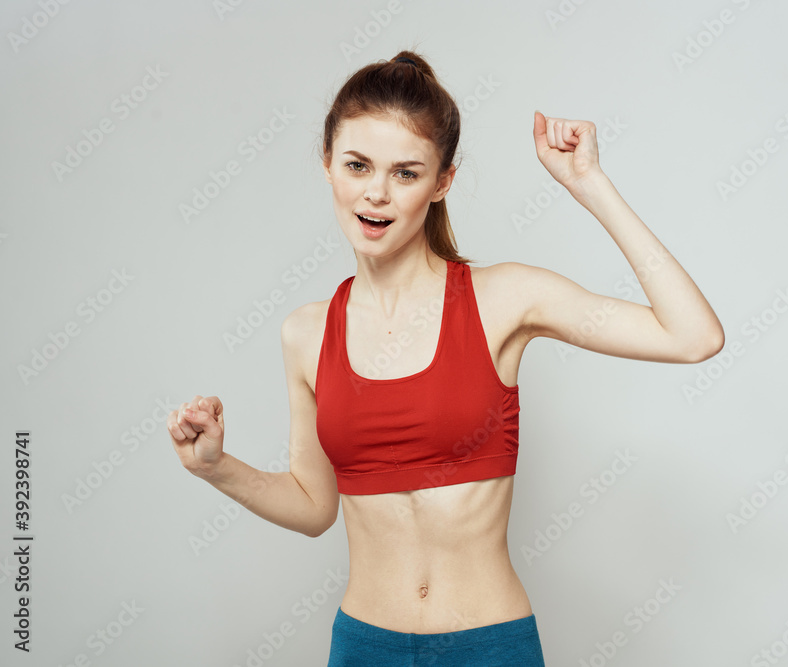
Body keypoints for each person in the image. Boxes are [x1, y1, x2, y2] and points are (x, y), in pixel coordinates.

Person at [168, 50, 724, 666]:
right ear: (327, 165)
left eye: (406, 173)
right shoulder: (305, 333)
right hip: (364, 646)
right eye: (358, 165)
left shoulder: (504, 299)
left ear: (442, 183)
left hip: (488, 646)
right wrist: (214, 467)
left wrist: (589, 184)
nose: (375, 194)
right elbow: (314, 507)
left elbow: (692, 336)